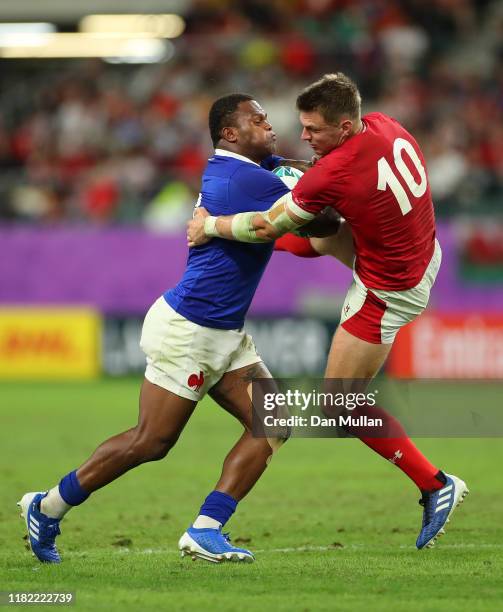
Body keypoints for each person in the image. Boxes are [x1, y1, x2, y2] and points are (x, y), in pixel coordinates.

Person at [187, 73, 469, 550]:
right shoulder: (385, 125)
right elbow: (323, 205)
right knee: (319, 234)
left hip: (388, 288)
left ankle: (435, 483)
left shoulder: (333, 173)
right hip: (422, 252)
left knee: (339, 403)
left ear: (342, 127)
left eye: (314, 130)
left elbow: (268, 225)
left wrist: (210, 225)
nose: (304, 136)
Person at [19, 93, 299, 565]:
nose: (270, 126)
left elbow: (290, 167)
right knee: (151, 442)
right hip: (190, 328)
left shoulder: (246, 169)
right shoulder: (242, 178)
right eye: (258, 119)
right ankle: (48, 507)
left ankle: (206, 528)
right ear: (230, 133)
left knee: (275, 421)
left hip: (223, 332)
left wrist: (298, 169)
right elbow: (316, 216)